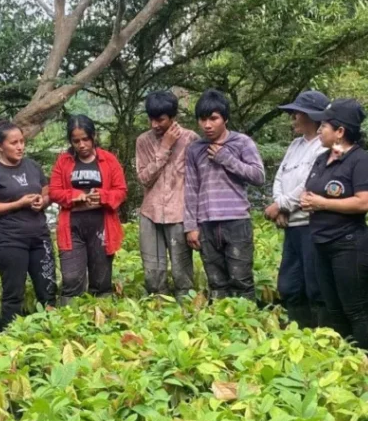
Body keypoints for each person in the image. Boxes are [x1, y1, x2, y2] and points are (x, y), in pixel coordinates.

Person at [301, 98, 368, 351]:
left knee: (354, 309)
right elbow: (312, 191)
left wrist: (323, 203)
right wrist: (308, 201)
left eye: (324, 125)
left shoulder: (361, 161)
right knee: (333, 308)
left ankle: (365, 362)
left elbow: (365, 202)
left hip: (349, 244)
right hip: (321, 243)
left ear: (340, 132)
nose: (320, 129)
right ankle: (345, 364)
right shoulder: (322, 159)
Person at [183, 89, 266, 300]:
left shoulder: (242, 143)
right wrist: (191, 226)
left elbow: (258, 176)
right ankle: (222, 327)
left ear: (225, 119)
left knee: (241, 280)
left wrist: (226, 158)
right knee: (216, 283)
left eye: (213, 119)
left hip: (236, 221)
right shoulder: (195, 149)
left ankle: (246, 327)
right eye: (202, 120)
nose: (207, 125)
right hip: (207, 224)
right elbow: (191, 188)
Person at [0, 120, 56, 331]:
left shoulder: (32, 166)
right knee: (14, 293)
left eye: (22, 141)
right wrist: (19, 203)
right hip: (9, 240)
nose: (20, 146)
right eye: (14, 143)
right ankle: (10, 339)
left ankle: (51, 333)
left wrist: (43, 201)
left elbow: (48, 191)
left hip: (39, 237)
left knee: (48, 289)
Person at [266, 91, 330, 326]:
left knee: (315, 286)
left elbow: (310, 184)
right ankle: (299, 334)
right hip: (292, 226)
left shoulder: (322, 148)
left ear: (312, 116)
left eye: (298, 113)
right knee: (290, 285)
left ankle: (322, 338)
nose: (293, 117)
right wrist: (280, 206)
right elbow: (279, 178)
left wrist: (282, 205)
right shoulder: (295, 145)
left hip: (310, 225)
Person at [49, 115, 127, 303]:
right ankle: (69, 318)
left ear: (93, 137)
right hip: (72, 225)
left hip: (101, 224)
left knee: (101, 279)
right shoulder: (64, 161)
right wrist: (74, 196)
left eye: (85, 139)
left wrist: (103, 196)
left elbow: (121, 190)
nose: (81, 145)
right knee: (71, 278)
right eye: (76, 141)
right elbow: (54, 191)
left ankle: (102, 320)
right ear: (71, 141)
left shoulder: (108, 160)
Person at [135, 90, 199, 299]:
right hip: (150, 213)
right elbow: (144, 178)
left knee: (183, 275)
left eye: (160, 119)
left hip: (179, 214)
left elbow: (198, 182)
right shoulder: (143, 141)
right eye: (151, 119)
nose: (155, 125)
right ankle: (158, 311)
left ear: (173, 118)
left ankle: (187, 313)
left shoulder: (191, 139)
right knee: (153, 274)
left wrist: (195, 222)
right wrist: (164, 148)